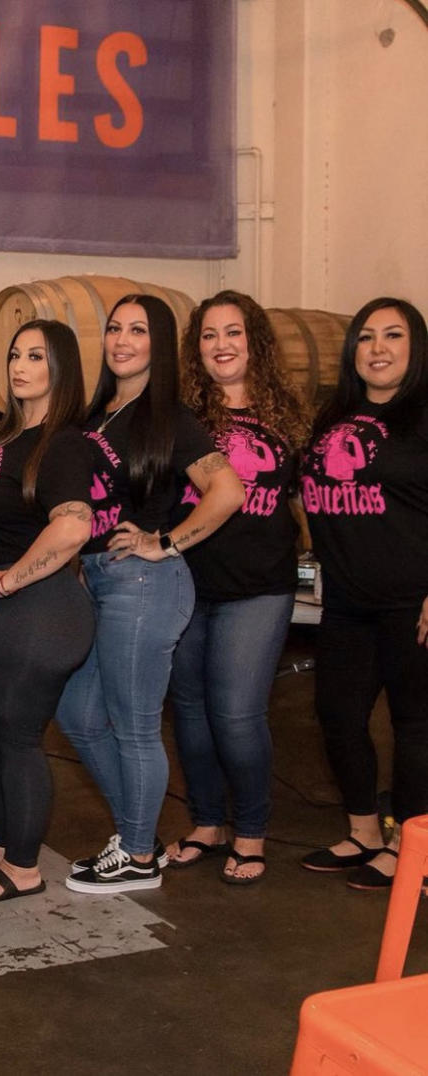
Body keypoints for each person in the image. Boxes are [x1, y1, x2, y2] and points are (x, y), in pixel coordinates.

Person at [56, 294, 244, 895]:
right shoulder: (96, 414)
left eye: (138, 330)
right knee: (79, 715)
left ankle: (137, 855)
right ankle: (138, 833)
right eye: (115, 328)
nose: (122, 340)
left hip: (145, 583)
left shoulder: (169, 417)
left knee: (134, 725)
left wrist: (165, 542)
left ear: (159, 345)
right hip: (99, 580)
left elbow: (228, 490)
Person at [0, 321, 95, 900]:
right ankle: (7, 841)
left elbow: (74, 526)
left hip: (43, 609)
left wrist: (10, 578)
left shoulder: (64, 442)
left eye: (36, 355)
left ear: (63, 367)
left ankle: (23, 867)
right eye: (13, 355)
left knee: (15, 733)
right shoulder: (0, 442)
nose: (19, 365)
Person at [166, 291, 310, 884]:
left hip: (258, 585)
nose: (221, 345)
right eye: (208, 335)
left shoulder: (288, 416)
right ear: (195, 348)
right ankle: (206, 823)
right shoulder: (180, 415)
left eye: (233, 333)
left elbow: (307, 503)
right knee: (191, 713)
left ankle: (250, 832)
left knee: (237, 714)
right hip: (186, 581)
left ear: (255, 342)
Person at [299, 297, 428, 889]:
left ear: (415, 348)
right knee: (338, 713)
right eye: (367, 336)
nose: (377, 348)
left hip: (412, 601)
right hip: (347, 601)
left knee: (414, 726)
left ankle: (413, 848)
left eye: (393, 336)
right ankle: (364, 832)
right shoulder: (335, 414)